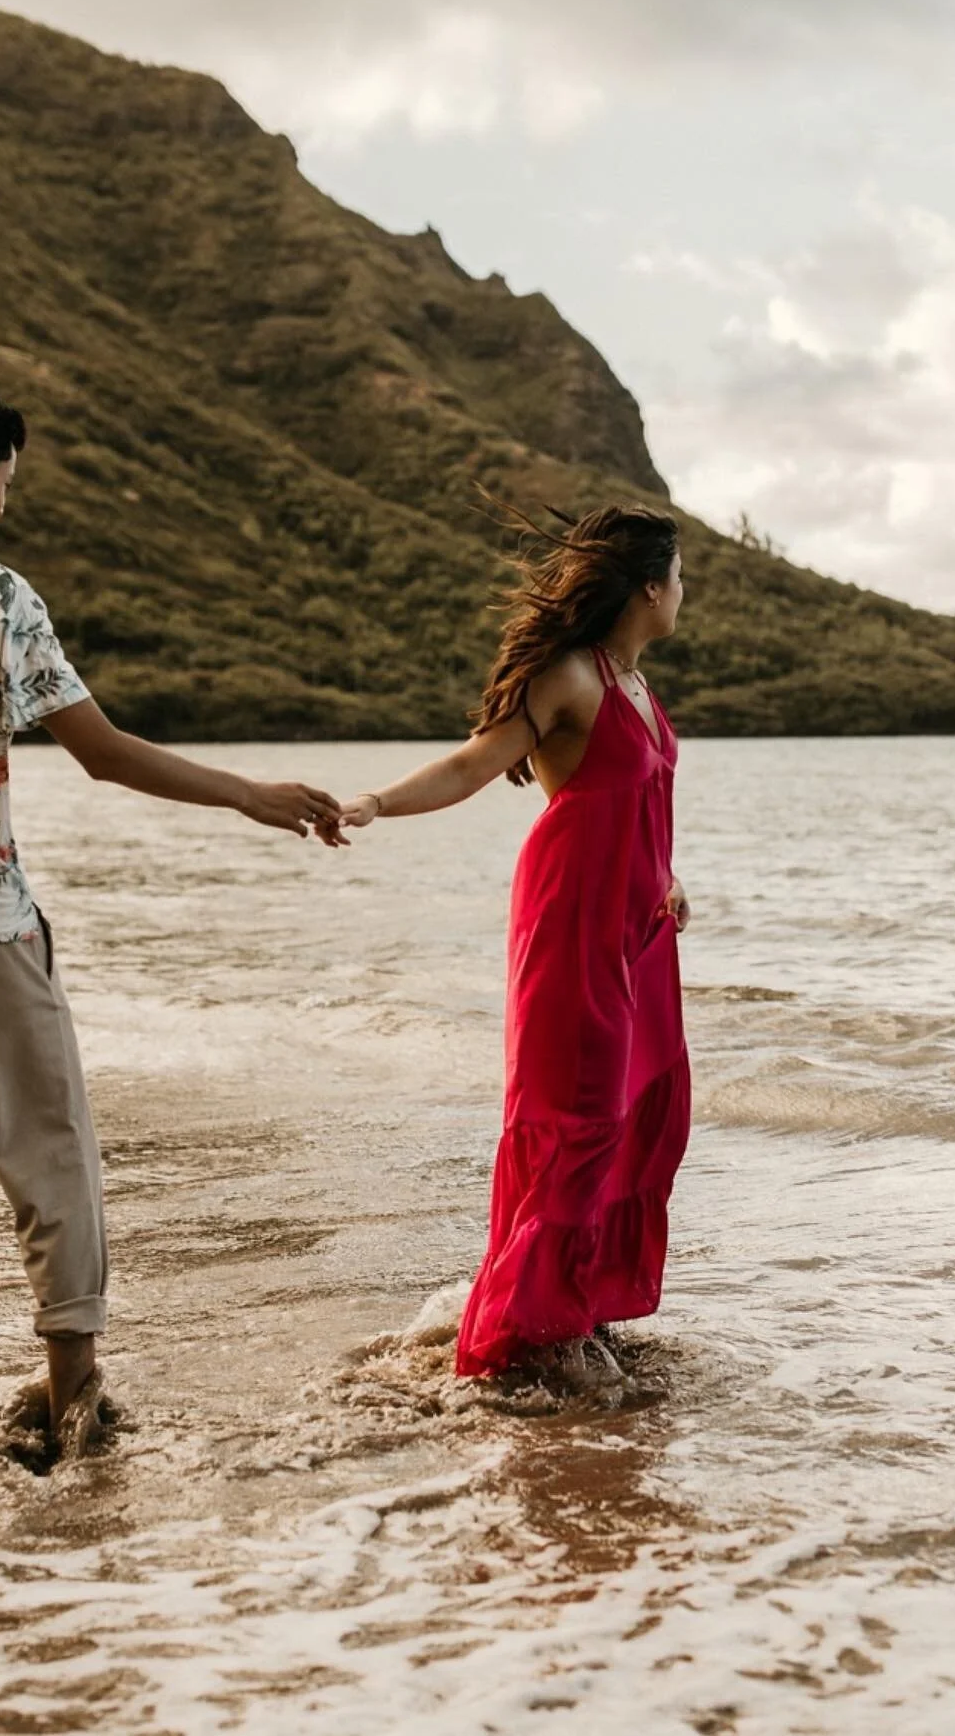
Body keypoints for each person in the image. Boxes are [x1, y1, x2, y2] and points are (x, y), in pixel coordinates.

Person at [0, 381, 339, 1443]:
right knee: (52, 1154)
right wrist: (250, 793)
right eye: (4, 483)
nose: (4, 505)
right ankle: (76, 1399)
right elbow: (101, 752)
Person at [320, 503, 691, 1385]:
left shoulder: (637, 685)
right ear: (648, 586)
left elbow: (631, 805)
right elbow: (472, 763)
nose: (686, 594)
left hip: (640, 934)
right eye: (680, 577)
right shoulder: (571, 676)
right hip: (571, 923)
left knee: (643, 1114)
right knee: (577, 1117)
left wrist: (664, 876)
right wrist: (376, 800)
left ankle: (577, 1310)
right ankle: (516, 1338)